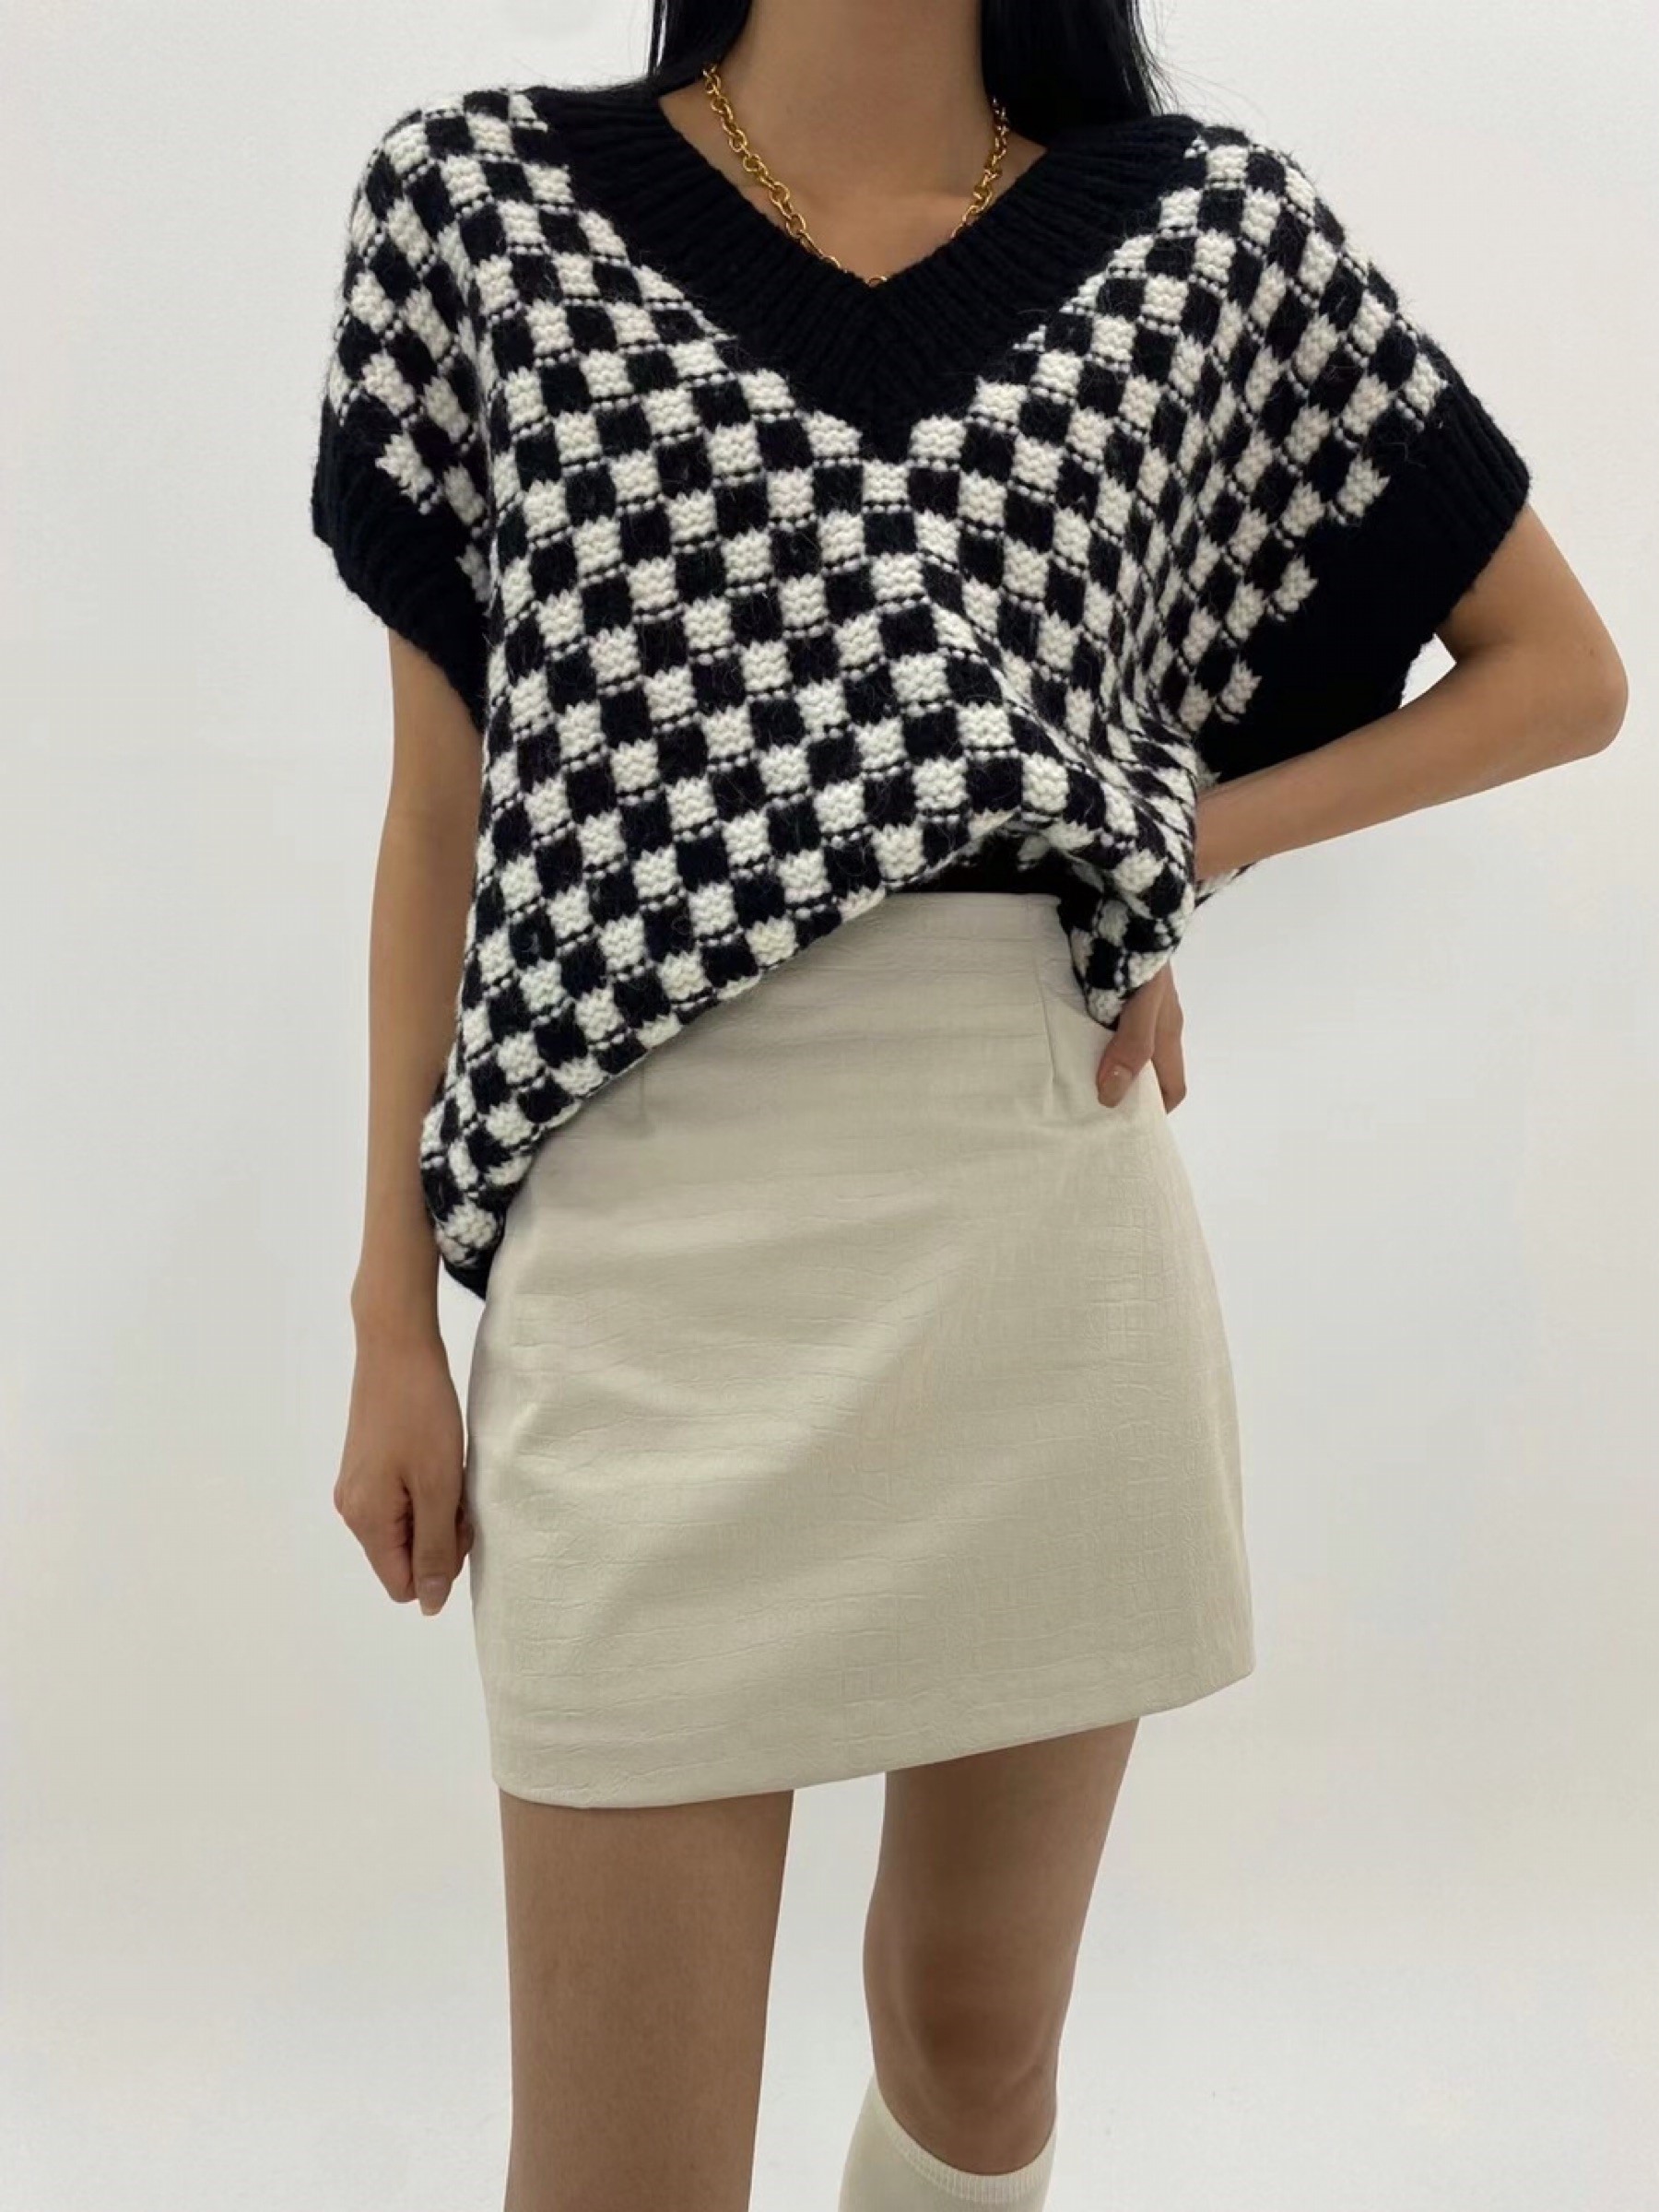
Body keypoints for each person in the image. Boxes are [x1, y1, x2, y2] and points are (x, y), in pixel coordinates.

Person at [308, 2, 1625, 2206]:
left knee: (978, 2048)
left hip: (1037, 1245)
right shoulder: (484, 209)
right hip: (646, 1283)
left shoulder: (1195, 236)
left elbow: (1562, 675)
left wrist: (1173, 839)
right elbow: (444, 812)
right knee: (619, 2172)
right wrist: (387, 1309)